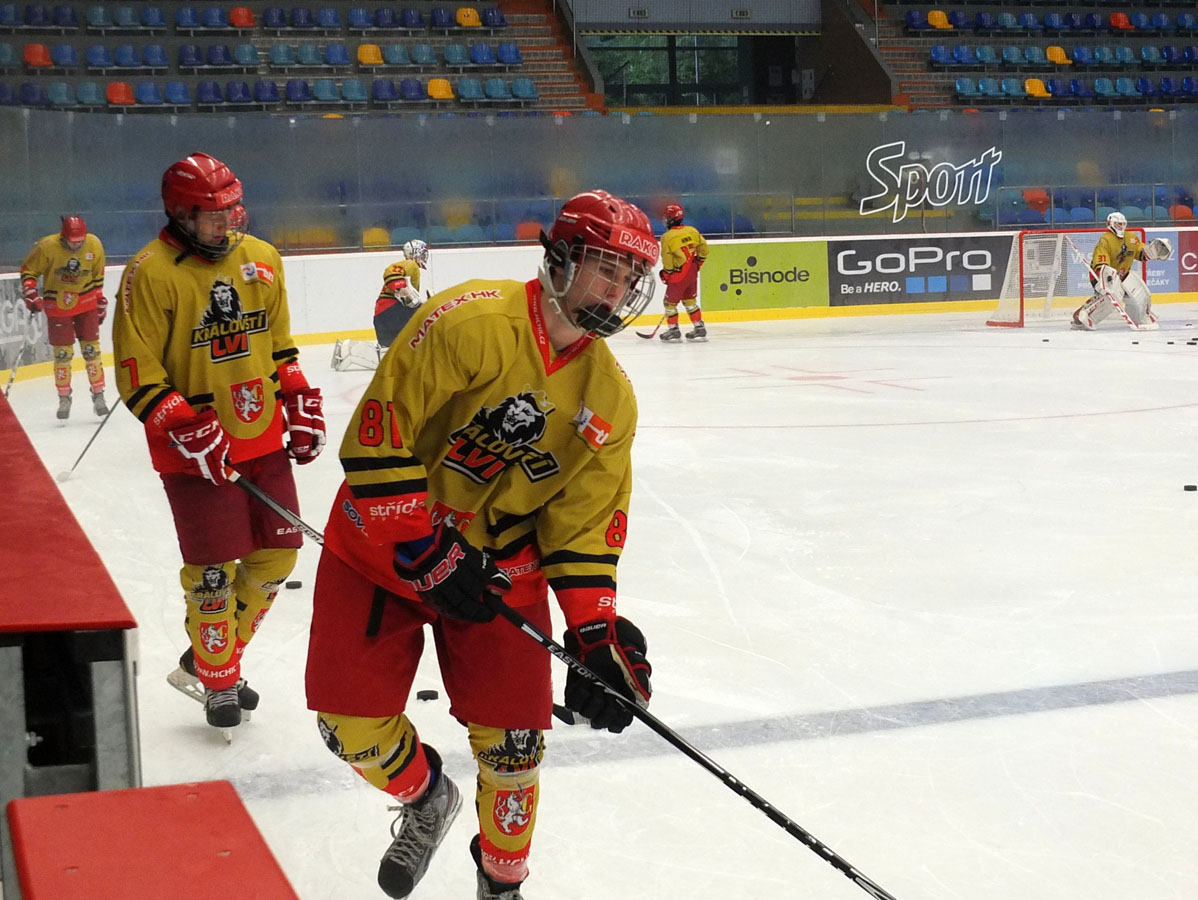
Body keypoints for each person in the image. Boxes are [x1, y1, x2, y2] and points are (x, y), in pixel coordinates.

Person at [305, 190, 657, 900]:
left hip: (499, 570)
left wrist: (596, 636)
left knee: (516, 752)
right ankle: (427, 797)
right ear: (561, 259)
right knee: (352, 729)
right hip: (382, 549)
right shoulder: (469, 321)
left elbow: (583, 529)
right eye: (605, 268)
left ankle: (501, 884)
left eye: (629, 278)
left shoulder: (611, 399)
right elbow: (379, 435)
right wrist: (423, 546)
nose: (617, 290)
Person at [111, 151, 326, 735]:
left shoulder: (262, 259)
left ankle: (206, 660)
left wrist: (296, 396)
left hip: (261, 438)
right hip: (194, 454)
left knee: (278, 555)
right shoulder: (150, 274)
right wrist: (185, 426)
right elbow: (137, 374)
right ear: (181, 215)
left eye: (234, 211)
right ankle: (220, 678)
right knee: (211, 574)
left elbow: (280, 349)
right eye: (214, 216)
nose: (228, 224)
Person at [20, 216, 109, 419]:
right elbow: (28, 271)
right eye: (72, 241)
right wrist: (30, 292)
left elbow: (97, 276)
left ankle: (99, 395)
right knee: (62, 355)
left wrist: (99, 301)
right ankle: (64, 397)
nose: (76, 245)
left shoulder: (94, 244)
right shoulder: (47, 247)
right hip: (57, 305)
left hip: (86, 303)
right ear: (63, 236)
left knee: (92, 351)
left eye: (80, 241)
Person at [332, 239, 430, 372]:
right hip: (392, 313)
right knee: (427, 319)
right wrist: (401, 288)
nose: (424, 256)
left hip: (385, 316)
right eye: (422, 253)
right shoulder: (410, 264)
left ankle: (347, 349)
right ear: (415, 253)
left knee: (389, 354)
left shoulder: (413, 269)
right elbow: (391, 272)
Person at [1071, 211, 1172, 330]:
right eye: (1118, 224)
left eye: (1123, 224)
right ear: (1110, 223)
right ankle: (1084, 316)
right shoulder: (1105, 239)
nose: (1121, 226)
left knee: (1142, 293)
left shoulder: (1131, 238)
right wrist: (1107, 278)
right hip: (1102, 275)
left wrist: (1153, 251)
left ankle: (1141, 317)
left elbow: (1141, 253)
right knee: (1113, 296)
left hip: (1123, 275)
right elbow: (1101, 263)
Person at [656, 203, 709, 343]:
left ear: (671, 219)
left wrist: (667, 273)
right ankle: (699, 327)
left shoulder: (667, 237)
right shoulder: (692, 231)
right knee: (690, 301)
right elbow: (704, 248)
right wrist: (699, 261)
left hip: (678, 274)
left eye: (667, 217)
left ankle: (673, 329)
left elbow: (667, 257)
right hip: (692, 271)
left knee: (669, 303)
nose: (665, 220)